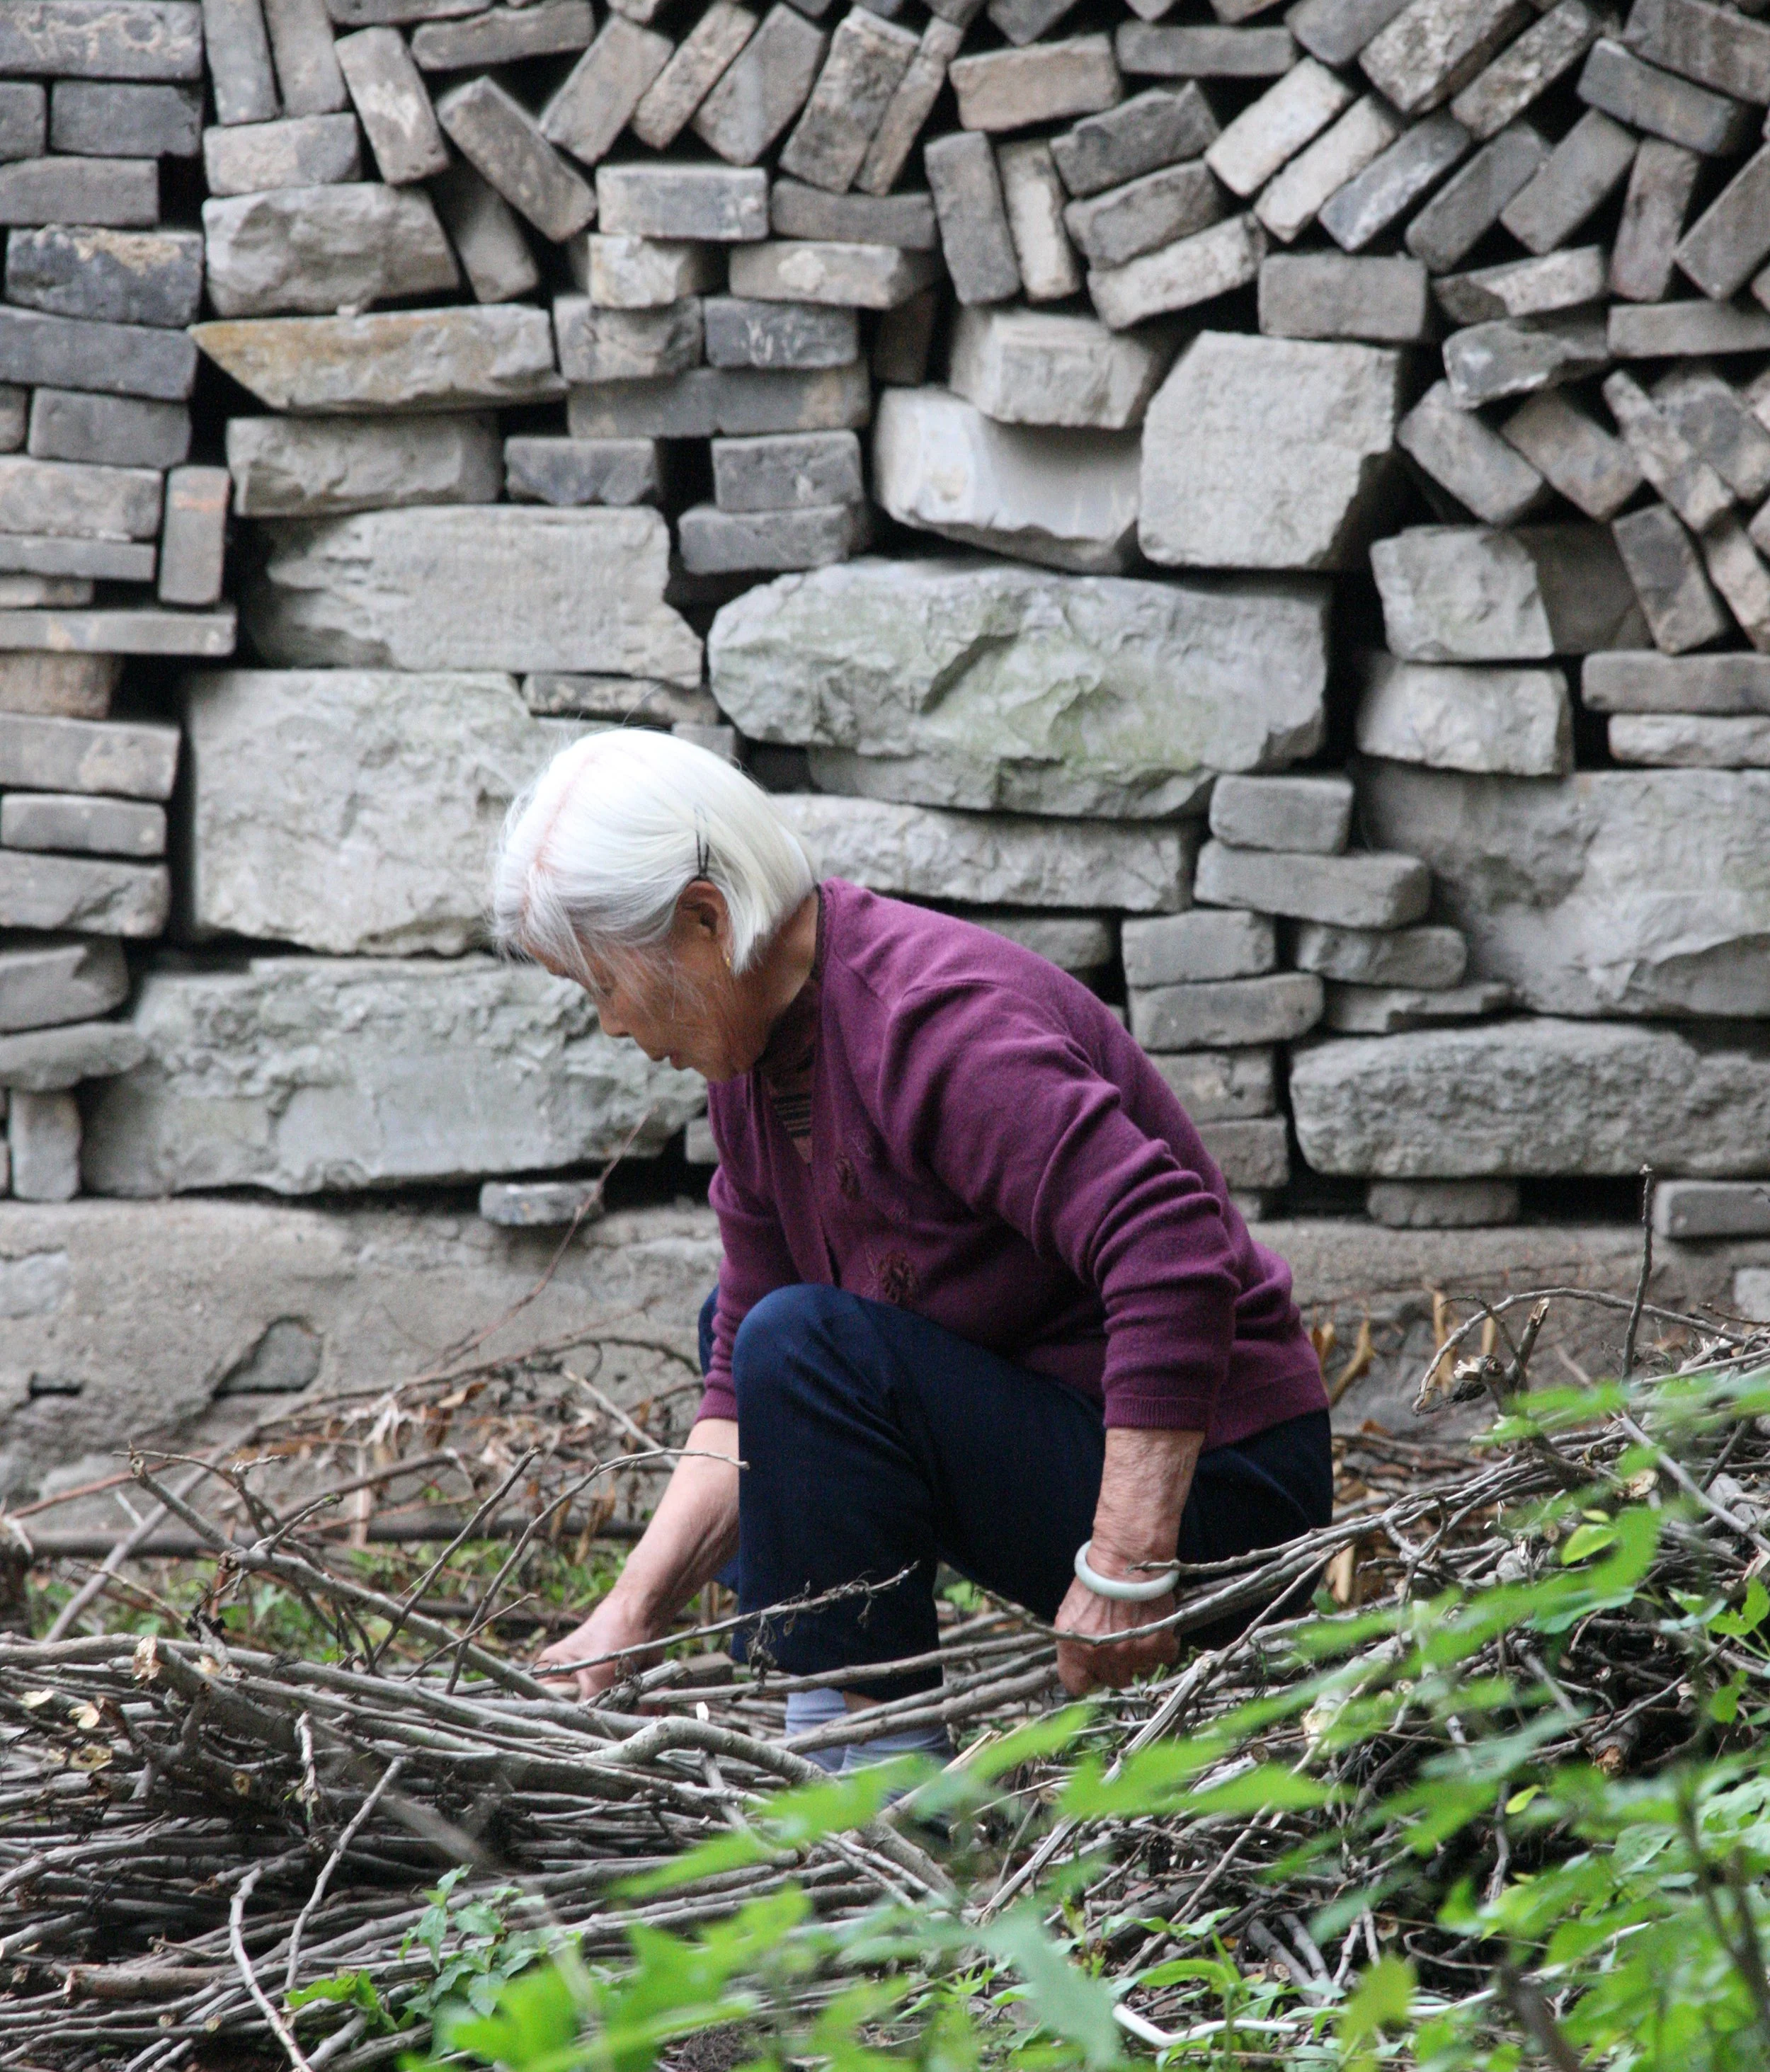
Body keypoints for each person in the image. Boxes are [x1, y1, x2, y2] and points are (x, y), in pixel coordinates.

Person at [491, 730, 1331, 1766]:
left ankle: (870, 1781)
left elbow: (1169, 1249)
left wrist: (1124, 1570)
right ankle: (839, 1740)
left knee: (804, 1345)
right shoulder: (751, 1070)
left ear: (704, 920)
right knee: (757, 1333)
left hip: (1225, 1488)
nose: (611, 1023)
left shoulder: (930, 1023)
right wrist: (630, 1614)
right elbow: (739, 1384)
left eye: (604, 984)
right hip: (1083, 1445)